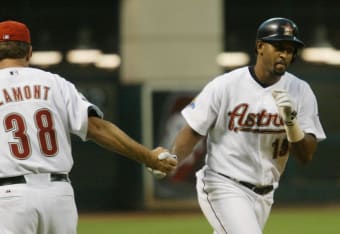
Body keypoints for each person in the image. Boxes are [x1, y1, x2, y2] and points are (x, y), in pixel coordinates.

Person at [0, 20, 177, 234]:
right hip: (58, 196)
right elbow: (98, 129)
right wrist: (149, 157)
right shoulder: (56, 83)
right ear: (29, 52)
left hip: (9, 197)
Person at [170, 17, 326, 234]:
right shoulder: (225, 85)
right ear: (260, 46)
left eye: (290, 49)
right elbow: (193, 131)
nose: (284, 54)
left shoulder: (301, 90)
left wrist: (292, 124)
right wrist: (173, 158)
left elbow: (305, 155)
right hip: (223, 184)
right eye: (279, 46)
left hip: (265, 193)